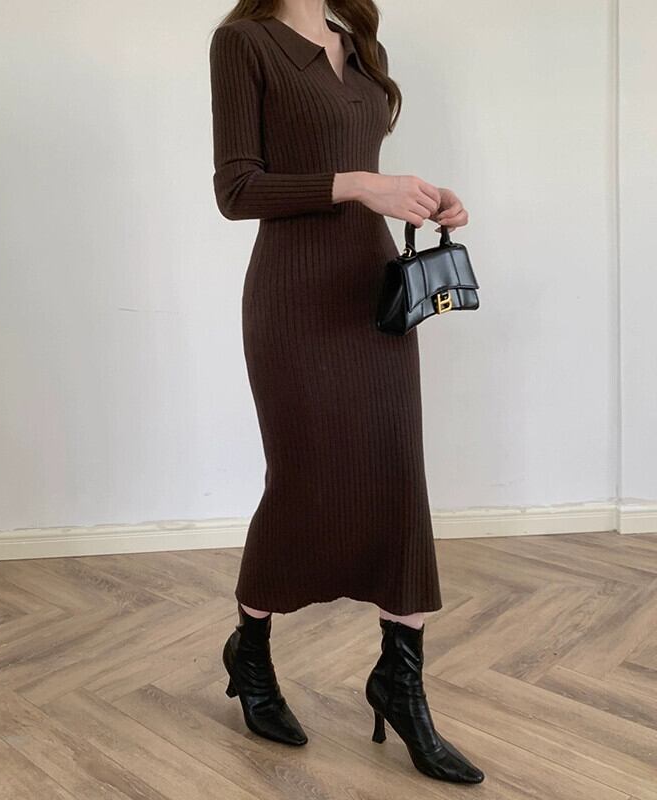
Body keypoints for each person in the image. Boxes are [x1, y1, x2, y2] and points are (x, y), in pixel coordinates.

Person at [209, 0, 483, 784]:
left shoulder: (355, 40)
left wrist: (422, 198)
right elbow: (236, 190)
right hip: (295, 297)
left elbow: (361, 170)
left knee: (397, 475)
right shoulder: (243, 44)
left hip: (373, 292)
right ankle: (250, 653)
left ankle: (400, 681)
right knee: (302, 479)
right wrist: (363, 185)